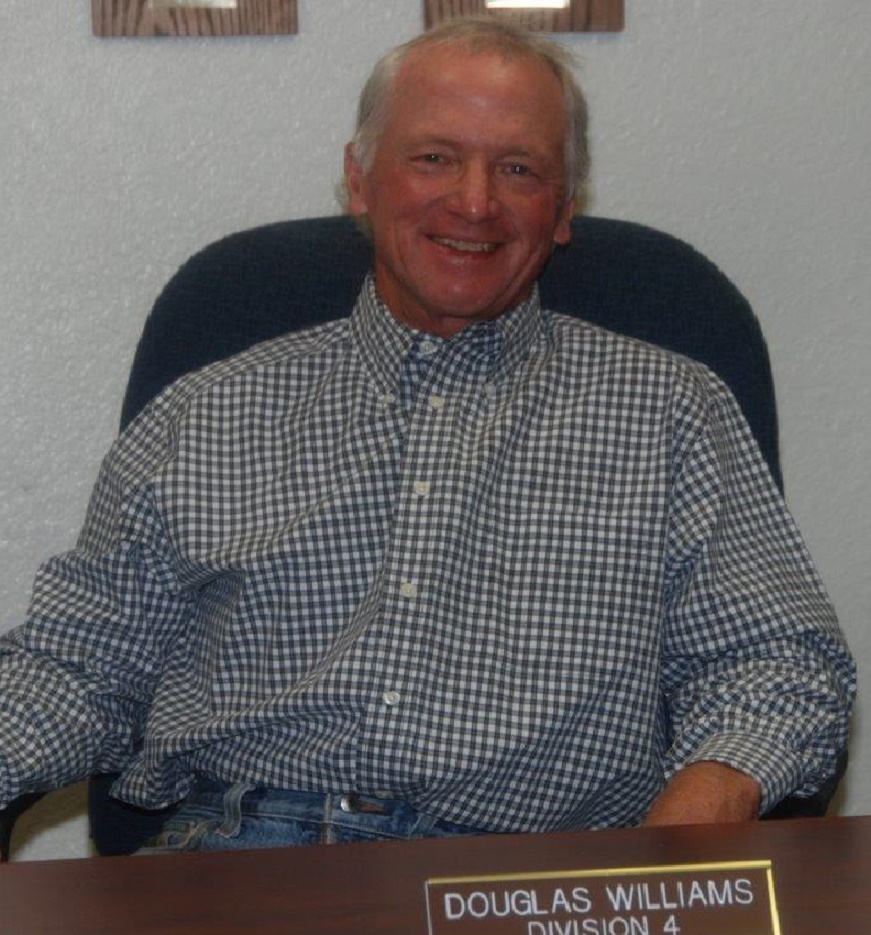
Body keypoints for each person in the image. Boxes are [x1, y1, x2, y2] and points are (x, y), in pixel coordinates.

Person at [0, 17, 855, 853]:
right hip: (242, 861)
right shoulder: (207, 412)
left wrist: (679, 837)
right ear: (360, 181)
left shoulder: (670, 410)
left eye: (518, 168)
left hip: (534, 873)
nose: (475, 202)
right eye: (434, 158)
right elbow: (76, 666)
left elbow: (778, 663)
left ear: (563, 208)